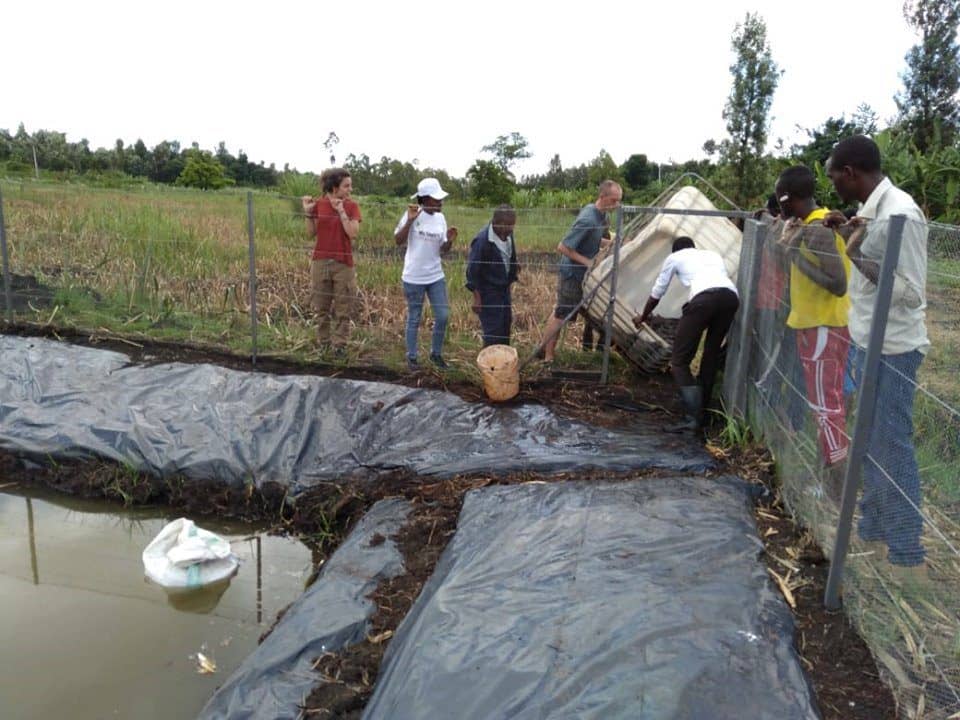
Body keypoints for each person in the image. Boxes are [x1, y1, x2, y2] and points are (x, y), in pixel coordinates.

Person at [823, 135, 929, 571]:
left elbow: (907, 291)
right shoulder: (874, 212)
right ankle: (874, 527)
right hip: (867, 342)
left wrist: (853, 252)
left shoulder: (900, 213)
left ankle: (906, 551)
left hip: (894, 350)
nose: (833, 188)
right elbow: (875, 253)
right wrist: (849, 227)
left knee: (891, 445)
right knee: (868, 441)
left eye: (835, 178)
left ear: (851, 173)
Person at [774, 165, 852, 492]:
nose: (778, 207)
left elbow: (837, 283)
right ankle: (830, 480)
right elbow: (788, 268)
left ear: (789, 199)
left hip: (823, 327)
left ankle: (836, 492)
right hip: (815, 325)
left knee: (827, 410)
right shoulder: (804, 226)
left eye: (780, 199)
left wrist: (793, 251)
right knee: (825, 408)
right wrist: (786, 246)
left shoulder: (818, 229)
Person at [632, 236, 739, 430]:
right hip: (730, 298)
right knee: (710, 355)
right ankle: (704, 412)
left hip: (703, 300)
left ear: (675, 250)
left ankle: (692, 418)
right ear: (693, 247)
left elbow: (658, 291)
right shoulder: (712, 255)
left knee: (679, 362)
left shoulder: (675, 257)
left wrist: (643, 316)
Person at [539, 180, 623, 363]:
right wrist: (588, 262)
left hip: (583, 274)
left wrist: (612, 244)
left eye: (619, 201)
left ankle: (543, 348)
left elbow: (594, 240)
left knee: (562, 312)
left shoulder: (602, 217)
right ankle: (548, 357)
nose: (616, 205)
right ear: (602, 197)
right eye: (614, 200)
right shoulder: (587, 219)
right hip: (572, 274)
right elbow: (563, 247)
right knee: (561, 314)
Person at [394, 177, 457, 370]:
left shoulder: (441, 219)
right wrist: (410, 222)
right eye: (437, 199)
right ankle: (412, 358)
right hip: (414, 277)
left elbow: (442, 250)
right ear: (425, 199)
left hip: (435, 275)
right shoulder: (412, 215)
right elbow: (398, 241)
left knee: (443, 315)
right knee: (415, 317)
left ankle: (435, 355)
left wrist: (450, 241)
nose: (440, 202)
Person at [301, 168, 361, 357]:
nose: (350, 189)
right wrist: (308, 214)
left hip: (343, 263)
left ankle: (340, 346)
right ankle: (324, 343)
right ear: (334, 187)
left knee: (344, 307)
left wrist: (341, 211)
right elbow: (311, 233)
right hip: (320, 261)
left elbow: (352, 233)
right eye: (346, 186)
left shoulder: (351, 206)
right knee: (321, 306)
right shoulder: (319, 204)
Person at [466, 205, 520, 347]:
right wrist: (477, 298)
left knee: (505, 324)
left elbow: (510, 255)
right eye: (508, 225)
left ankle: (503, 360)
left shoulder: (507, 235)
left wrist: (513, 272)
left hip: (504, 288)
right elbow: (472, 271)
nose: (511, 228)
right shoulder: (482, 241)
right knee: (493, 329)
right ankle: (490, 362)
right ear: (498, 223)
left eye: (512, 225)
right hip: (488, 291)